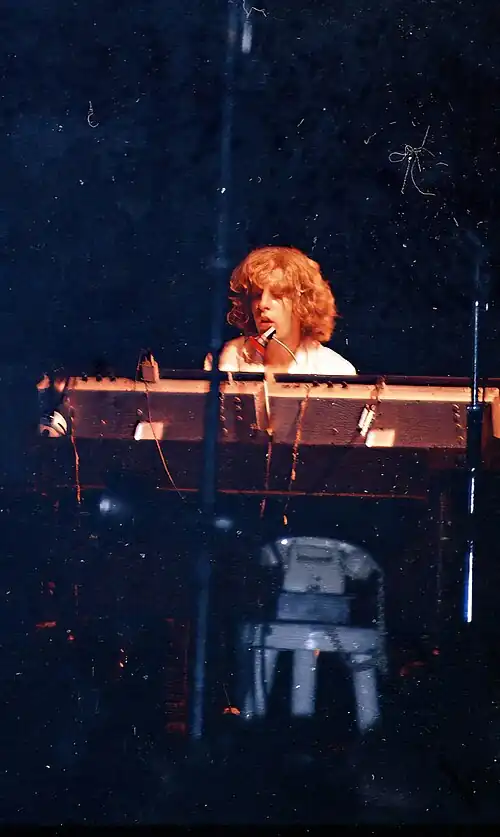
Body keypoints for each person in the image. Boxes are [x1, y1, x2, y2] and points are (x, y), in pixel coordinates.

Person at [204, 246, 356, 374]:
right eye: (257, 295)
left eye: (277, 295)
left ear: (303, 303)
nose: (263, 304)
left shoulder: (335, 369)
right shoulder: (224, 360)